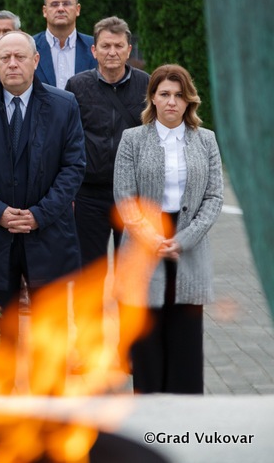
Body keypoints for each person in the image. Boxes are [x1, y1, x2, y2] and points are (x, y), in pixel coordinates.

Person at [0, 31, 85, 392]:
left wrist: (40, 214)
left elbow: (74, 167)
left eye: (20, 57)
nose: (12, 64)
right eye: (4, 57)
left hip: (49, 236)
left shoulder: (64, 105)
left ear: (35, 61)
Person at [113, 64, 223, 394]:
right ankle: (150, 409)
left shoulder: (206, 140)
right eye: (164, 94)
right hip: (143, 245)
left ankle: (185, 412)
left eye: (179, 95)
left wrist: (183, 239)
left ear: (189, 100)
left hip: (189, 243)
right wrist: (151, 238)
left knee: (185, 336)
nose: (172, 101)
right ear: (153, 98)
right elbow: (124, 196)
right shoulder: (132, 139)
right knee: (146, 336)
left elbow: (214, 196)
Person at [64, 17, 149, 370]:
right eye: (105, 46)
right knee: (90, 277)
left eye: (118, 46)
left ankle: (132, 350)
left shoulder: (146, 84)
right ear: (93, 50)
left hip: (134, 198)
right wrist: (67, 191)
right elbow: (67, 139)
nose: (112, 52)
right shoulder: (77, 86)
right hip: (88, 194)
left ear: (129, 50)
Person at [32, 0, 97, 89]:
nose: (60, 9)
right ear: (45, 11)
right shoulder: (29, 48)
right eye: (54, 4)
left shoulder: (96, 47)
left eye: (66, 4)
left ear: (77, 9)